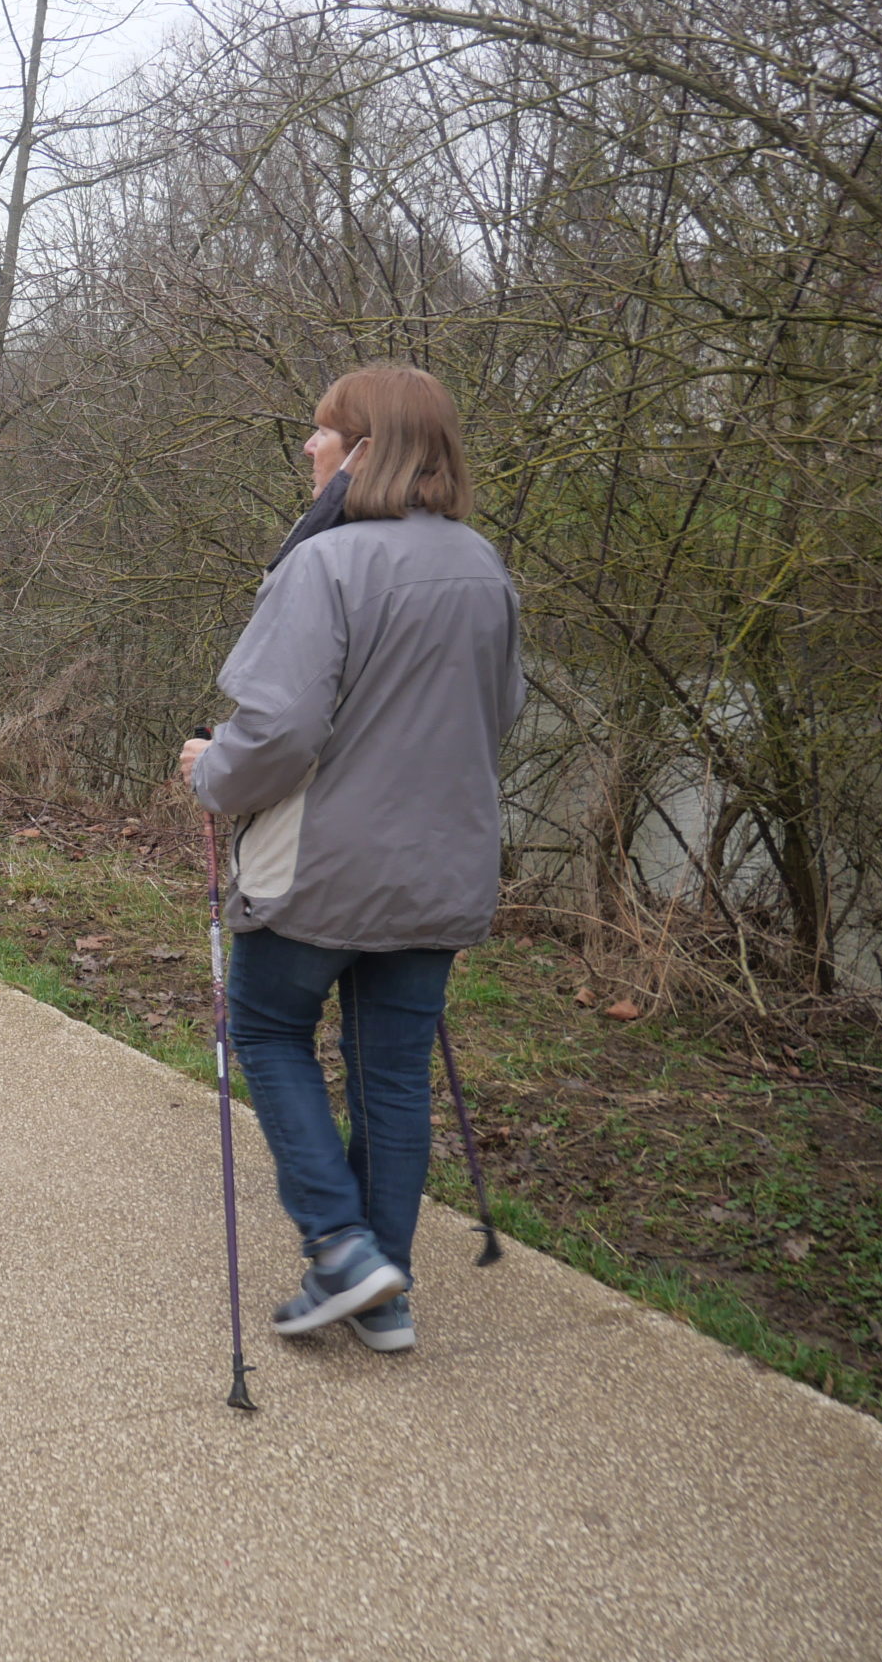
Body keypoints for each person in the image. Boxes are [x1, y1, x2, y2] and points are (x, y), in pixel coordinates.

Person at [180, 365, 522, 1355]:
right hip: (440, 869)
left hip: (322, 873)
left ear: (363, 451)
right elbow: (496, 719)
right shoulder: (481, 567)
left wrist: (212, 770)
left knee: (268, 1029)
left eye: (321, 433)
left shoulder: (323, 566)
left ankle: (340, 1247)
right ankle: (385, 1292)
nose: (308, 448)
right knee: (391, 1070)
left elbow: (280, 729)